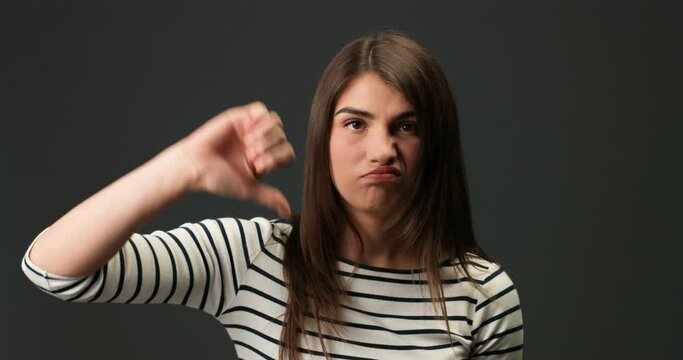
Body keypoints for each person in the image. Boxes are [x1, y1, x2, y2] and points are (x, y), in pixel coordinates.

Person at [21, 30, 523, 359]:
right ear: (322, 140)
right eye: (354, 124)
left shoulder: (483, 295)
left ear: (435, 142)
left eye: (406, 126)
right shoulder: (254, 257)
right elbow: (52, 271)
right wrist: (184, 166)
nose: (382, 149)